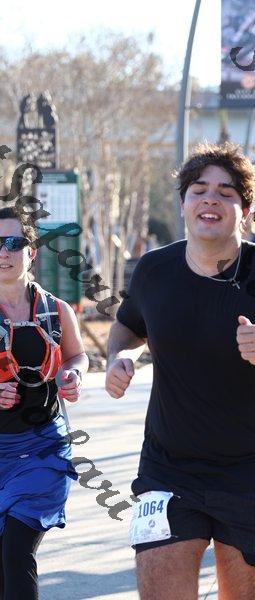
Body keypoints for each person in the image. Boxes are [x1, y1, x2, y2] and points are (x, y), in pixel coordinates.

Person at [106, 143, 255, 600]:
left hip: (248, 470)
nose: (210, 200)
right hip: (166, 468)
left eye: (226, 193)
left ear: (246, 211)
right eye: (199, 190)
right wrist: (119, 358)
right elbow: (126, 326)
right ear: (183, 203)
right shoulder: (155, 270)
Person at [0, 206, 88, 600]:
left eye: (14, 242)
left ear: (31, 252)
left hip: (42, 450)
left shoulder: (55, 310)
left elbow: (76, 355)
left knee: (16, 551)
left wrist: (73, 375)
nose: (4, 252)